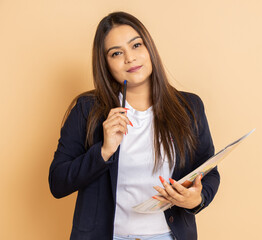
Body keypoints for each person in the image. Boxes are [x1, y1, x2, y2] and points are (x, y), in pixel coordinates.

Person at [49, 11, 220, 240]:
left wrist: (196, 199)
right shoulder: (87, 109)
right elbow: (58, 183)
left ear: (149, 48)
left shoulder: (189, 107)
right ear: (106, 64)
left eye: (136, 45)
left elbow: (209, 172)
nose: (129, 58)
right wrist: (103, 151)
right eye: (116, 53)